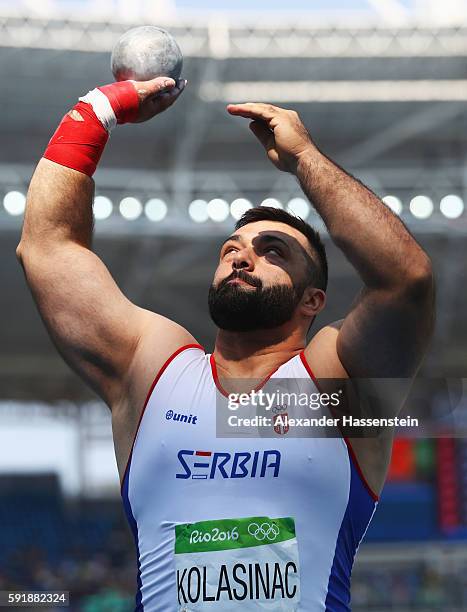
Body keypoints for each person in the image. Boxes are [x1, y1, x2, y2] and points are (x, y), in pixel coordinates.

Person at [17, 76, 434, 611]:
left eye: (273, 251)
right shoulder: (154, 371)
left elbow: (407, 282)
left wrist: (305, 158)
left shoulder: (334, 387)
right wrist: (97, 110)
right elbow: (48, 249)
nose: (242, 256)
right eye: (231, 248)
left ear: (312, 300)